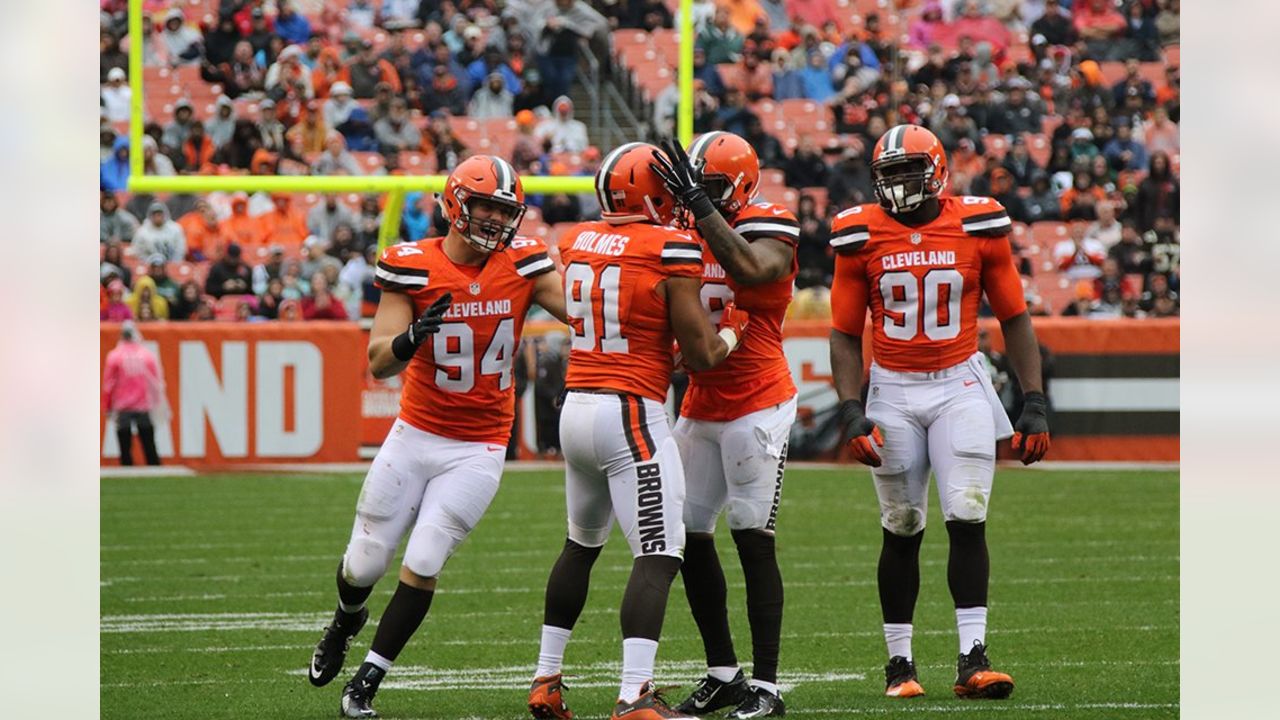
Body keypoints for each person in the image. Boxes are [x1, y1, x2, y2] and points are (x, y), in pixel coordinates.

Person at [307, 156, 568, 719]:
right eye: (487, 208)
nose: (497, 223)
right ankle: (345, 620)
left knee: (424, 558)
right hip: (415, 435)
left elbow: (584, 312)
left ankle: (368, 679)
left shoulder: (524, 262)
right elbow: (378, 361)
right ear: (455, 205)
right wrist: (408, 341)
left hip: (479, 445)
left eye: (506, 212)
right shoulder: (411, 264)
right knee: (364, 564)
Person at [827, 124, 1050, 700]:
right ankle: (899, 664)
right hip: (894, 389)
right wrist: (851, 409)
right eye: (890, 176)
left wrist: (1035, 401)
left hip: (960, 382)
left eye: (910, 173)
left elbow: (1015, 317)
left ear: (939, 172)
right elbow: (845, 334)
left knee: (967, 514)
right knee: (901, 526)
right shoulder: (858, 235)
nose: (900, 186)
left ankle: (972, 657)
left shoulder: (978, 224)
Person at [526, 142, 748, 720]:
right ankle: (634, 695)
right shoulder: (669, 245)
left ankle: (546, 678)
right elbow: (701, 355)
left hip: (576, 406)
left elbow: (622, 312)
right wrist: (734, 334)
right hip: (630, 412)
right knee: (661, 551)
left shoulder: (576, 238)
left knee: (581, 544)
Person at [650, 132, 799, 718]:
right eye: (690, 189)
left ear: (736, 186)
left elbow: (752, 265)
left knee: (751, 535)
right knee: (686, 534)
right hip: (701, 401)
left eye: (705, 188)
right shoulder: (683, 232)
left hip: (759, 399)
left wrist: (704, 211)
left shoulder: (770, 223)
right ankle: (724, 673)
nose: (693, 199)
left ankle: (766, 686)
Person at [102, 321, 165, 466]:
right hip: (143, 405)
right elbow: (155, 382)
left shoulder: (114, 356)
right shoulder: (147, 355)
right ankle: (154, 468)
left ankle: (127, 468)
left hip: (123, 405)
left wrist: (107, 405)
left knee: (125, 446)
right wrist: (156, 403)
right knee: (149, 443)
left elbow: (108, 384)